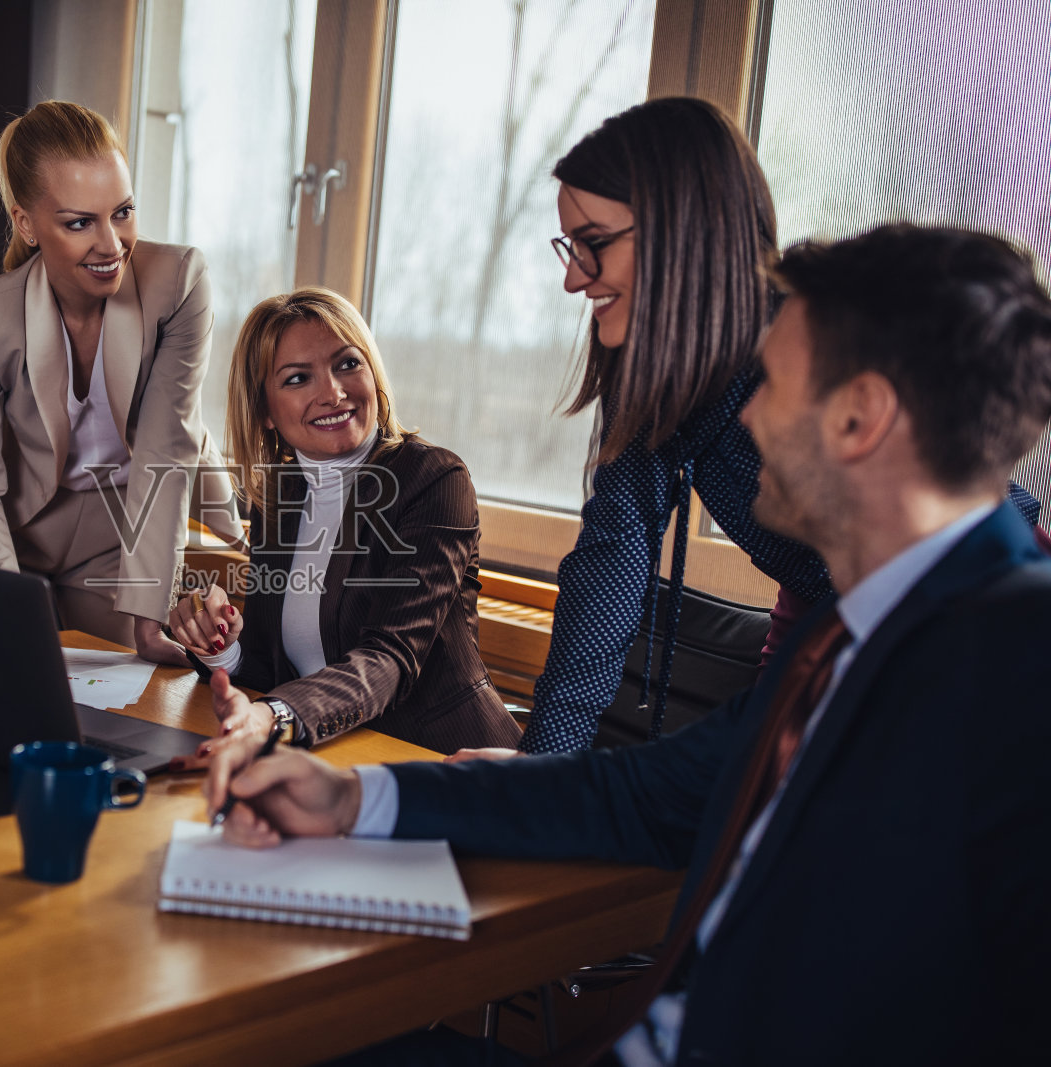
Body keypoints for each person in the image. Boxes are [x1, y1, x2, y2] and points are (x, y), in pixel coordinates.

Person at [206, 224, 1051, 1065]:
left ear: (861, 417)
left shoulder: (1014, 668)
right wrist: (355, 803)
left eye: (775, 384)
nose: (746, 415)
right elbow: (639, 797)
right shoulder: (850, 639)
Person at [504, 96, 1042, 757]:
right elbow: (610, 566)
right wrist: (543, 762)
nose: (572, 278)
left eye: (593, 245)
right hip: (825, 617)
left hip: (957, 615)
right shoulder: (653, 372)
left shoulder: (813, 339)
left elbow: (957, 508)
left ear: (684, 236)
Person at [167, 288, 525, 759]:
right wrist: (221, 648)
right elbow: (274, 667)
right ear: (266, 412)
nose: (332, 392)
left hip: (445, 764)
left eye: (347, 364)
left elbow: (390, 657)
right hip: (335, 762)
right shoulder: (280, 495)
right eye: (297, 378)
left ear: (372, 372)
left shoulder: (432, 480)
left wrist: (273, 717)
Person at [0, 100, 238, 664]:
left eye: (122, 212)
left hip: (124, 522)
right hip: (19, 528)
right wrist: (7, 611)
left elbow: (165, 450)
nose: (112, 244)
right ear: (25, 224)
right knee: (10, 671)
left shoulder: (177, 282)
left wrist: (150, 614)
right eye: (79, 222)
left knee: (134, 693)